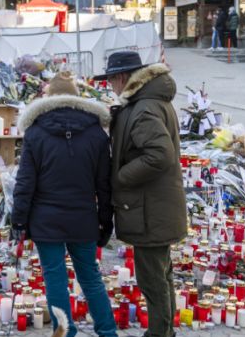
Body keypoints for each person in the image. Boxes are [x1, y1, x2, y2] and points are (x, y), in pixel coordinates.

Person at [11, 71, 117, 337]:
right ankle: (107, 332)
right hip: (83, 218)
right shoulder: (96, 133)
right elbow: (104, 185)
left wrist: (19, 221)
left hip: (46, 220)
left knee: (55, 279)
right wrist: (106, 221)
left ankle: (66, 332)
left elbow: (25, 183)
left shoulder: (35, 132)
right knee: (91, 278)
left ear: (49, 98)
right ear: (77, 98)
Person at [94, 51, 187, 337]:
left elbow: (160, 155)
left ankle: (160, 333)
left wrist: (120, 177)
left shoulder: (144, 108)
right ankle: (164, 330)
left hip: (151, 210)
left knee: (152, 278)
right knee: (160, 274)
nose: (111, 86)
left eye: (111, 80)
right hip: (154, 206)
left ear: (122, 78)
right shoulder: (145, 103)